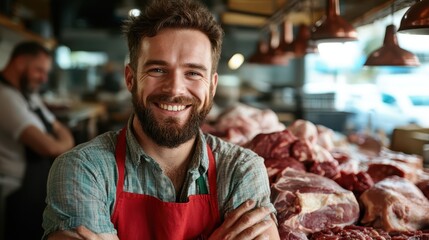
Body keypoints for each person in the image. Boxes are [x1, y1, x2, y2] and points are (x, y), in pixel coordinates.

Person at [42, 0, 280, 239]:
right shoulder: (83, 169)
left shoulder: (241, 170)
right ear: (130, 79)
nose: (175, 89)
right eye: (157, 70)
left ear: (212, 86)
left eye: (193, 73)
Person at [0, 41, 74, 239]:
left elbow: (62, 129)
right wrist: (61, 146)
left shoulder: (29, 96)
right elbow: (46, 147)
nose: (43, 78)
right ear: (20, 62)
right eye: (39, 70)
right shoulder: (4, 96)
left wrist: (61, 145)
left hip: (36, 188)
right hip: (16, 195)